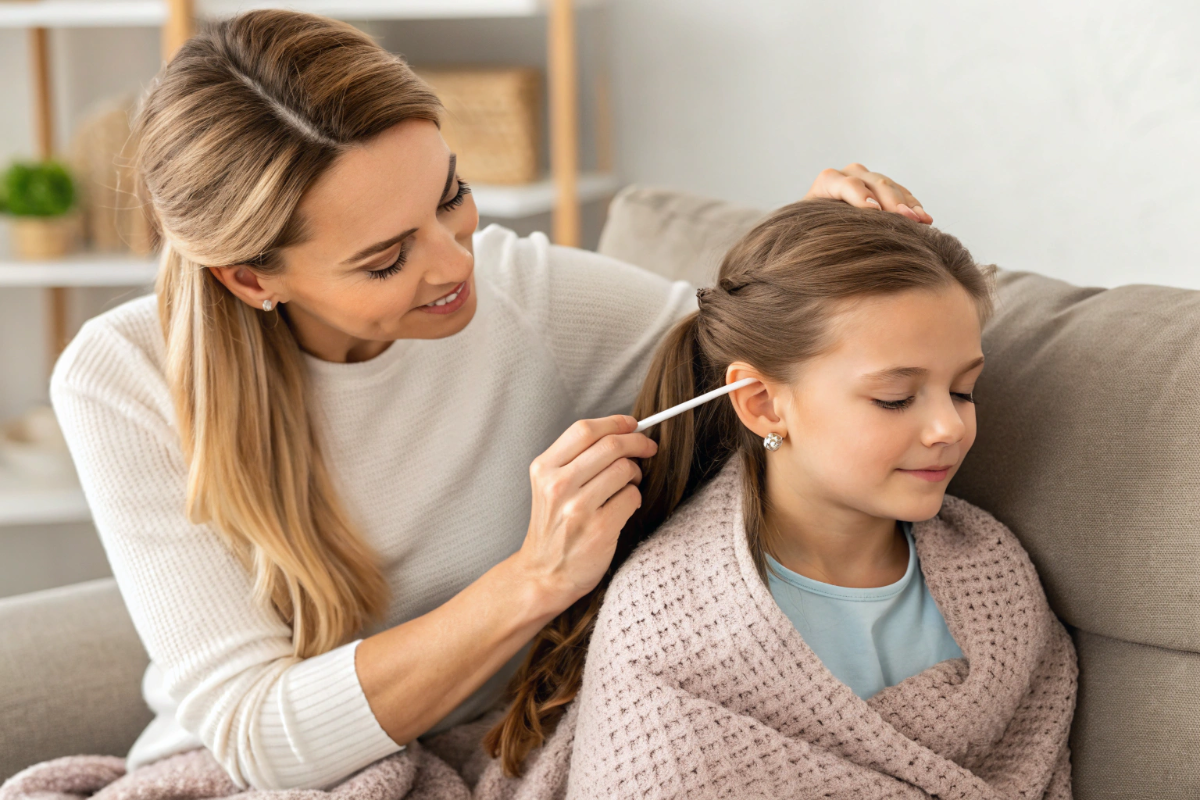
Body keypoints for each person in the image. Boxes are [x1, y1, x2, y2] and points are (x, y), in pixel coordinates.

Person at [49, 9, 933, 792]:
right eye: (386, 258)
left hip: (507, 748)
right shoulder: (125, 380)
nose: (453, 263)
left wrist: (814, 253)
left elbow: (737, 350)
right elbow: (261, 738)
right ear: (251, 279)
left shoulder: (524, 294)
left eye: (452, 197)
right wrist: (535, 580)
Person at [489, 200, 1078, 798]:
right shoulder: (668, 619)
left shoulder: (995, 575)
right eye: (897, 398)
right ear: (764, 404)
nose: (948, 428)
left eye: (962, 391)